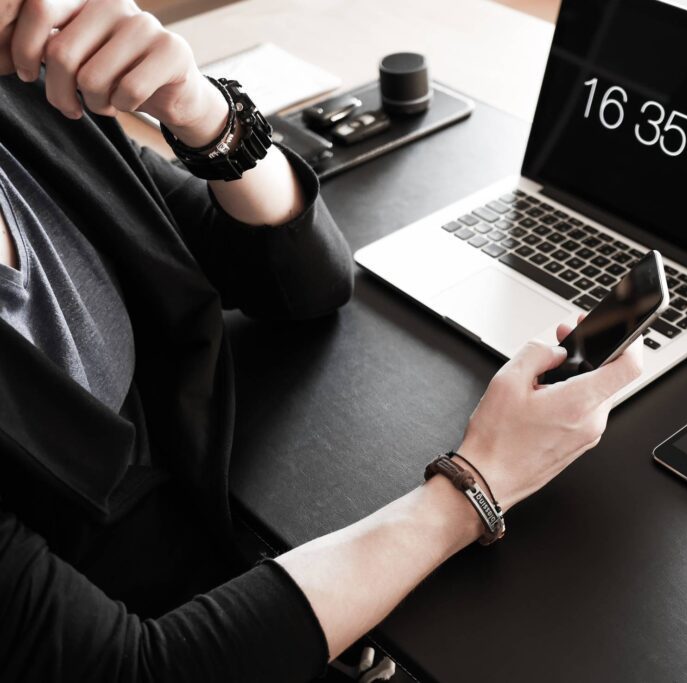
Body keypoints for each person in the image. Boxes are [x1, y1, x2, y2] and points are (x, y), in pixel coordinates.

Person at [0, 1, 644, 680]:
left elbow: (304, 282)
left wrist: (204, 113)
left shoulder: (29, 105)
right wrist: (479, 483)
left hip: (226, 543)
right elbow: (139, 670)